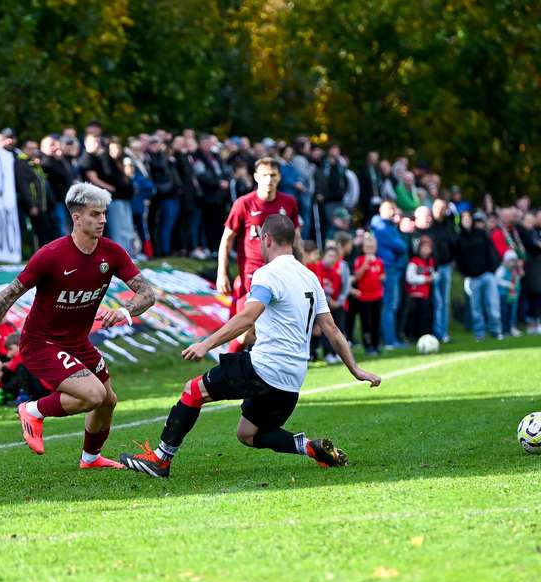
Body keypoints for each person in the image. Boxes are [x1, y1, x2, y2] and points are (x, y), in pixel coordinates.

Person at [118, 214, 381, 478]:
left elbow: (247, 316)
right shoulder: (309, 277)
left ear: (266, 239)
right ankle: (311, 448)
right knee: (248, 434)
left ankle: (160, 460)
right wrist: (355, 369)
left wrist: (205, 344)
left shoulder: (268, 274)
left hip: (264, 368)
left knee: (193, 390)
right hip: (292, 379)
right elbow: (332, 329)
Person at [0, 183, 157, 469]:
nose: (102, 220)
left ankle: (90, 459)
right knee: (94, 395)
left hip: (78, 343)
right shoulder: (51, 255)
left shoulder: (112, 253)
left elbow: (148, 294)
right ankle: (32, 410)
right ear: (77, 218)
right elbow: (8, 294)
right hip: (42, 344)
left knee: (108, 401)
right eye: (94, 214)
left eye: (104, 213)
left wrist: (124, 311)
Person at [216, 157, 301, 353]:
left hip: (282, 274)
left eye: (273, 175)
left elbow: (296, 238)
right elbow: (227, 239)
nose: (269, 180)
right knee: (245, 330)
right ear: (256, 177)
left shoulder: (288, 203)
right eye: (264, 175)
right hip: (252, 276)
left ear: (279, 177)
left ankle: (263, 372)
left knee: (278, 326)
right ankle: (227, 369)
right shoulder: (243, 204)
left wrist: (301, 267)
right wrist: (222, 272)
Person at [456, 212, 503, 341]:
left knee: (493, 305)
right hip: (472, 278)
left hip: (487, 274)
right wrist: (466, 274)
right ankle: (480, 334)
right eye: (464, 219)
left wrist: (492, 268)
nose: (467, 221)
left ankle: (496, 331)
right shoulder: (459, 238)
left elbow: (490, 251)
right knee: (476, 308)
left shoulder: (481, 233)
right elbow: (459, 260)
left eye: (468, 218)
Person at [370, 201, 408, 349]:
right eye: (390, 209)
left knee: (389, 304)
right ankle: (390, 341)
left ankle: (389, 339)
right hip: (388, 268)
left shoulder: (386, 225)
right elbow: (400, 246)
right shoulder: (382, 227)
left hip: (391, 268)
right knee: (389, 305)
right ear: (382, 210)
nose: (393, 212)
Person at [351, 233, 385, 355]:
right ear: (363, 248)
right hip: (364, 297)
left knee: (376, 321)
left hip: (377, 296)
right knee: (366, 323)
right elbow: (356, 277)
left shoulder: (379, 261)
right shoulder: (359, 260)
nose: (370, 249)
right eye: (367, 246)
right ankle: (368, 346)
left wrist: (381, 278)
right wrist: (365, 265)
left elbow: (382, 276)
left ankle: (376, 345)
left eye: (372, 246)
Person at [428, 199, 457, 342]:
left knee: (444, 301)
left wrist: (453, 259)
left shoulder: (448, 224)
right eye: (438, 207)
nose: (440, 211)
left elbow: (453, 242)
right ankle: (436, 332)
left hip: (446, 266)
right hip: (434, 268)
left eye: (443, 208)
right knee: (437, 301)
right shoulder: (430, 225)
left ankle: (443, 333)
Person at [405, 236, 436, 339]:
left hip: (427, 294)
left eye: (428, 248)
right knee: (416, 317)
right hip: (416, 294)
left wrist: (433, 277)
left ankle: (426, 335)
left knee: (426, 316)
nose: (426, 250)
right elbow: (410, 278)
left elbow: (433, 274)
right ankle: (414, 336)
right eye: (424, 247)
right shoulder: (414, 261)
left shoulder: (430, 261)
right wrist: (425, 279)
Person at [495, 249, 522, 337]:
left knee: (512, 313)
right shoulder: (501, 269)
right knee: (504, 313)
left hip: (512, 296)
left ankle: (510, 328)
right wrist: (508, 285)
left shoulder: (514, 271)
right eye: (511, 260)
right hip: (503, 296)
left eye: (514, 261)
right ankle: (504, 330)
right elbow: (497, 280)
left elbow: (517, 281)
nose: (513, 263)